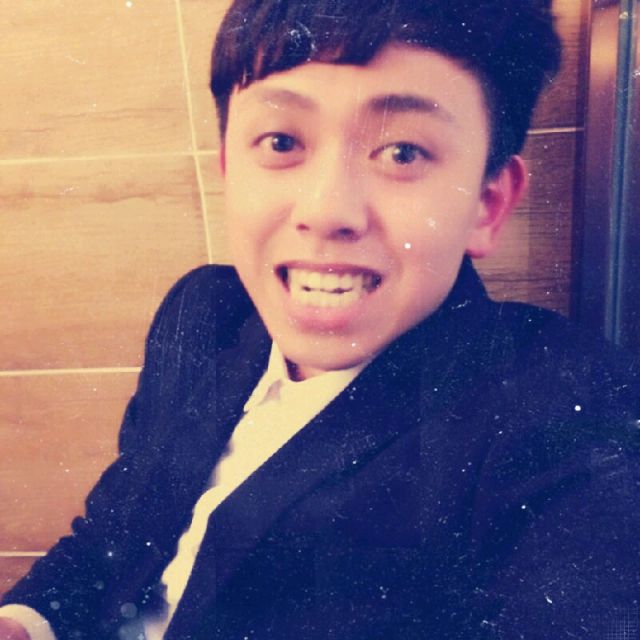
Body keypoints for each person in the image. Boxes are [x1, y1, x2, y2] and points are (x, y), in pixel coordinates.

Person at [2, 0, 640, 638]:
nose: (327, 209)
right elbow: (112, 538)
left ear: (487, 204)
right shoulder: (203, 310)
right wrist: (26, 622)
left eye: (403, 152)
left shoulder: (565, 406)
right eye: (281, 143)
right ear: (229, 168)